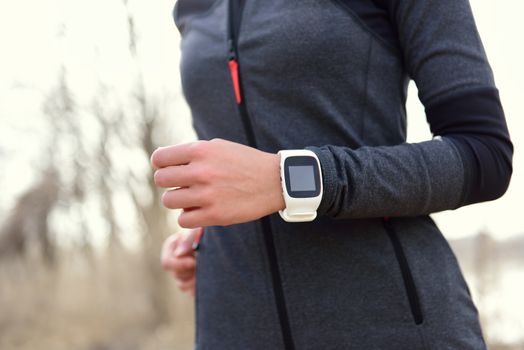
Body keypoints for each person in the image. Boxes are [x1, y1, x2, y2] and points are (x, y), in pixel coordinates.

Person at [151, 0, 513, 348]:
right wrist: (206, 237)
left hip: (388, 324)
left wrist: (290, 180)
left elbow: (484, 154)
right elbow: (239, 149)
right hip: (230, 327)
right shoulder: (191, 6)